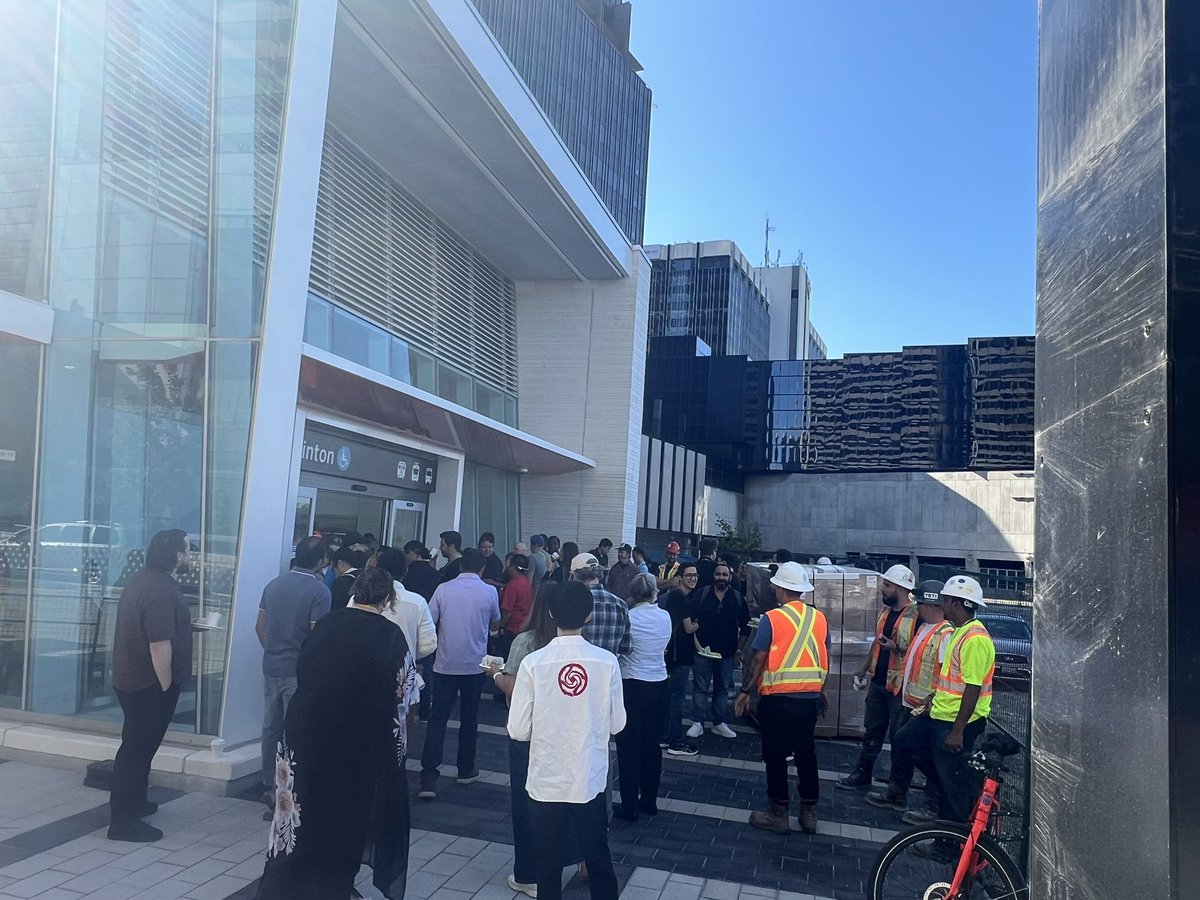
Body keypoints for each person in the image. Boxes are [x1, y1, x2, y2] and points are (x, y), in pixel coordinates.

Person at [258, 568, 418, 899]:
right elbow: (403, 696)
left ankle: (289, 880)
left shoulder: (326, 625)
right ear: (387, 599)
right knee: (346, 814)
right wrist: (397, 751)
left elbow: (304, 672)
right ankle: (333, 885)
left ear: (354, 593)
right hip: (358, 742)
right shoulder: (390, 635)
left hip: (306, 732)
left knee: (303, 807)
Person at [507, 582, 625, 900]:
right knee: (598, 855)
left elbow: (517, 729)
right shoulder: (606, 662)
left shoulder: (533, 664)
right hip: (588, 775)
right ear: (589, 616)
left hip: (546, 777)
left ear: (549, 613)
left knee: (548, 863)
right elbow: (617, 723)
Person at [486, 583, 582, 898]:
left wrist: (496, 675)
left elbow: (514, 688)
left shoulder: (526, 642)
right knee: (564, 800)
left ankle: (529, 871)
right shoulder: (577, 645)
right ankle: (571, 856)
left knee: (527, 804)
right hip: (566, 734)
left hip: (528, 735)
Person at [890, 575, 995, 830]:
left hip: (956, 723)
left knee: (952, 785)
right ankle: (950, 783)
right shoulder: (960, 633)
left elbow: (972, 687)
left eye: (946, 600)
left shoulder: (975, 639)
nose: (943, 605)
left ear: (958, 603)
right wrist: (933, 698)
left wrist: (958, 731)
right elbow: (952, 680)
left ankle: (946, 842)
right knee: (904, 741)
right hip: (940, 714)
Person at [108, 529, 192, 842]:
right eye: (185, 550)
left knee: (137, 747)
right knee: (136, 751)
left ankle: (136, 803)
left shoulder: (142, 580)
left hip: (131, 679)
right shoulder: (160, 590)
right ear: (175, 555)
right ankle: (123, 822)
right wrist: (166, 686)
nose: (188, 556)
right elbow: (159, 644)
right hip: (148, 684)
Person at [737, 562, 829, 834]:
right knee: (806, 753)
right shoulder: (819, 618)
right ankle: (808, 812)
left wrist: (744, 692)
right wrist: (821, 689)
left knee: (775, 756)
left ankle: (778, 813)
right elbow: (825, 655)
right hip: (809, 697)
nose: (773, 589)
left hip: (778, 698)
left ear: (782, 589)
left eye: (775, 585)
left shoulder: (772, 619)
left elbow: (758, 659)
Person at [257, 536, 332, 813]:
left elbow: (259, 625)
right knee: (294, 729)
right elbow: (318, 635)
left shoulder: (273, 585)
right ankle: (287, 788)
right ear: (321, 560)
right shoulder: (319, 591)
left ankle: (267, 783)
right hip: (297, 670)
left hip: (271, 665)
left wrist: (273, 649)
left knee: (270, 727)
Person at [867, 579, 953, 821]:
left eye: (921, 603)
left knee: (930, 757)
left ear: (931, 605)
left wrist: (932, 701)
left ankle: (931, 807)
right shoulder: (925, 629)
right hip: (910, 703)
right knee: (901, 747)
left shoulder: (945, 635)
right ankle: (896, 794)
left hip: (929, 708)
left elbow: (947, 675)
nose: (918, 608)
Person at [419, 548, 501, 799]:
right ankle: (465, 769)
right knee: (469, 718)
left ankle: (429, 778)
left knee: (438, 719)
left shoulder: (444, 589)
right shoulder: (489, 592)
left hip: (445, 664)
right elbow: (495, 622)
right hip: (475, 666)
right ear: (482, 568)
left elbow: (431, 620)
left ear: (460, 565)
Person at [838, 563, 919, 789]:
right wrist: (864, 669)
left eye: (887, 585)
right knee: (872, 731)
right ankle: (862, 775)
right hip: (879, 683)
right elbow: (878, 643)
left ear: (901, 589)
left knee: (899, 738)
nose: (883, 589)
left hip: (900, 688)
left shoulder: (917, 616)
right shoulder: (885, 613)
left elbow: (919, 651)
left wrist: (897, 648)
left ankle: (896, 788)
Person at [613, 573, 671, 822]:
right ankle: (649, 800)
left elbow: (622, 648)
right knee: (652, 745)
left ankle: (628, 806)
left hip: (632, 684)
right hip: (659, 683)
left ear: (633, 594)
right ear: (655, 592)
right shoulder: (665, 617)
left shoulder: (628, 617)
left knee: (628, 747)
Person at [688, 562, 749, 741]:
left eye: (724, 574)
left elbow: (746, 627)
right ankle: (698, 722)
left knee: (722, 688)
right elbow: (689, 619)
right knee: (700, 687)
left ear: (729, 577)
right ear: (713, 576)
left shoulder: (737, 598)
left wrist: (738, 649)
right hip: (702, 651)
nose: (721, 577)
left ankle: (718, 723)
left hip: (726, 653)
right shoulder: (702, 594)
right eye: (718, 574)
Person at [661, 563, 700, 756]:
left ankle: (665, 736)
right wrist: (697, 624)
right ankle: (675, 742)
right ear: (680, 577)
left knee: (670, 697)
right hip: (680, 655)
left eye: (695, 575)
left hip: (672, 653)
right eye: (689, 575)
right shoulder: (680, 597)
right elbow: (688, 628)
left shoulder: (671, 597)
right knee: (677, 698)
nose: (693, 578)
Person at [373, 547, 438, 663]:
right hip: (403, 668)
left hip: (366, 666)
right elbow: (429, 644)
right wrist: (410, 650)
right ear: (405, 571)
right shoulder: (417, 602)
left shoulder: (360, 597)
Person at [571, 552, 632, 657]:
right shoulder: (621, 604)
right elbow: (626, 648)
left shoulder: (572, 602)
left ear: (574, 575)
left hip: (577, 669)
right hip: (608, 669)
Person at [496, 554, 534, 659]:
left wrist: (499, 626)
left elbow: (506, 611)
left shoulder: (513, 585)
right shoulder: (527, 583)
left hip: (511, 630)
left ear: (513, 567)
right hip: (524, 628)